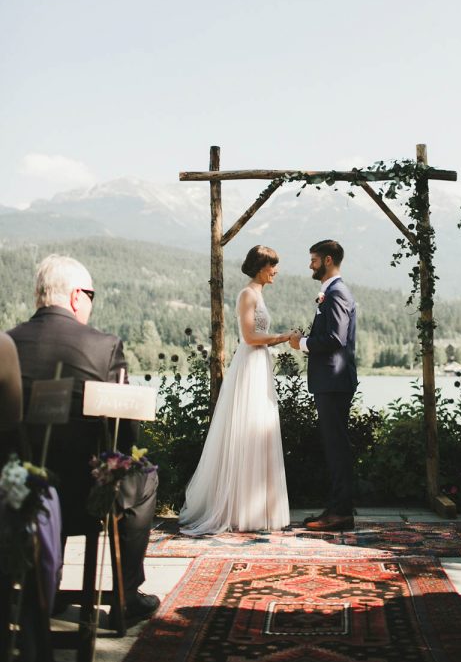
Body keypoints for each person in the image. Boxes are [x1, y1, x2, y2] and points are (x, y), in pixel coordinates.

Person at [7, 254, 160, 624]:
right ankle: (127, 595)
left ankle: (45, 586)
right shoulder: (103, 346)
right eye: (91, 294)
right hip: (84, 501)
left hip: (16, 495)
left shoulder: (7, 343)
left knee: (48, 463)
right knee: (144, 476)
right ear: (77, 296)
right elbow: (125, 435)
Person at [179, 245, 292, 534]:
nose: (276, 271)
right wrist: (283, 337)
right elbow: (249, 335)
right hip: (249, 366)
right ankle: (239, 509)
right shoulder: (247, 294)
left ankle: (259, 508)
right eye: (272, 266)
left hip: (260, 365)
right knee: (247, 428)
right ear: (260, 267)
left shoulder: (259, 294)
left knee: (261, 427)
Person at [289, 239, 357, 531]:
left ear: (328, 260)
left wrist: (301, 343)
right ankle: (336, 508)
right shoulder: (331, 292)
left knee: (337, 448)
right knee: (334, 447)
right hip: (330, 381)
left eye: (314, 260)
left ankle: (340, 513)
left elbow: (335, 339)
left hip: (333, 380)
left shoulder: (337, 292)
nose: (310, 265)